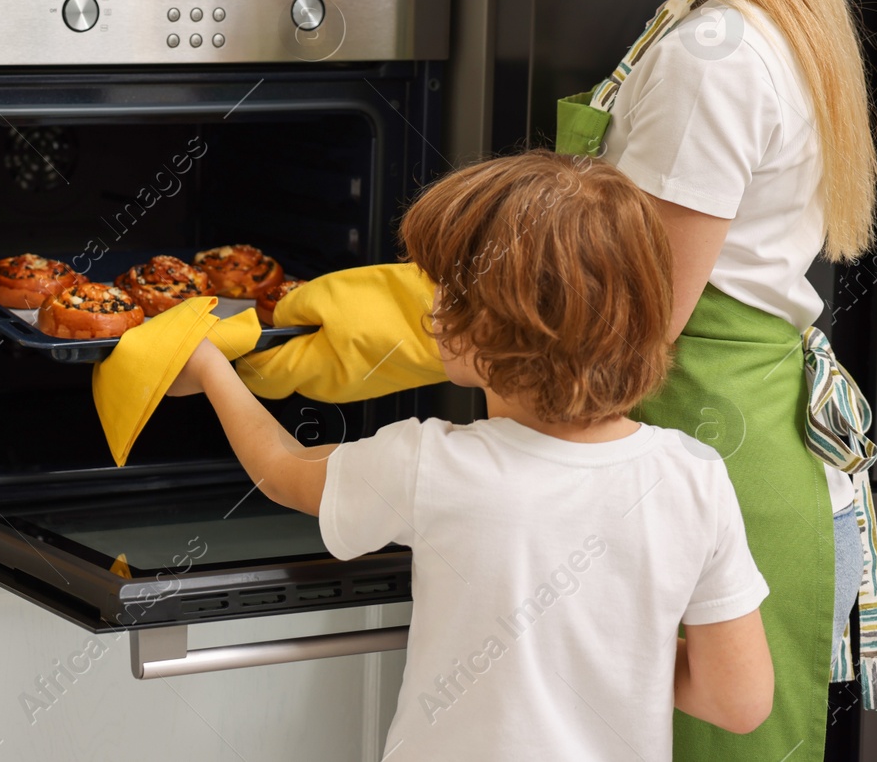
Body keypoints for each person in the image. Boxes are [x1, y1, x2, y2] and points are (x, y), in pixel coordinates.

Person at [538, 0, 877, 756]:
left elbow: (627, 333)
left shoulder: (709, 60)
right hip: (721, 460)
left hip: (710, 479)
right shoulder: (701, 21)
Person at [173, 151, 774, 761]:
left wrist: (212, 368)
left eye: (441, 290)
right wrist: (616, 644)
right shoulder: (694, 475)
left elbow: (281, 471)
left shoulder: (429, 465)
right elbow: (739, 701)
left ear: (480, 328)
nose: (430, 309)